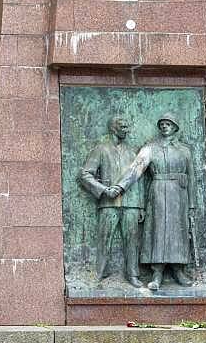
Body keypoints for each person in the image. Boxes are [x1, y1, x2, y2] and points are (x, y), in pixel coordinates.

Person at [113, 113, 195, 291]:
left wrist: (191, 205)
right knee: (157, 231)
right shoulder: (151, 148)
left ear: (175, 127)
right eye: (162, 124)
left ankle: (178, 270)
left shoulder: (184, 150)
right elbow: (136, 171)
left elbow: (192, 179)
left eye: (168, 124)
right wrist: (120, 187)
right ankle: (156, 274)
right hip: (157, 192)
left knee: (178, 233)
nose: (165, 126)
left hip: (179, 196)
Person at [78, 115, 144, 288]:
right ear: (113, 128)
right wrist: (102, 190)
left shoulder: (133, 151)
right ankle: (99, 272)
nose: (126, 129)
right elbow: (85, 174)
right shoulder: (101, 149)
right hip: (108, 203)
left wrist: (141, 206)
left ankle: (133, 274)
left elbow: (139, 178)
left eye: (127, 126)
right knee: (104, 238)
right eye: (123, 126)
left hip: (131, 203)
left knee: (132, 240)